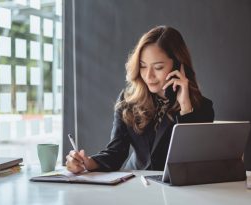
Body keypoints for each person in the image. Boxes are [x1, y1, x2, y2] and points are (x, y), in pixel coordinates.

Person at [66, 25, 214, 173]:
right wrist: (87, 162)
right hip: (136, 184)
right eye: (143, 66)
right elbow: (116, 152)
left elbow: (194, 162)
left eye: (158, 67)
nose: (148, 76)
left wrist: (185, 108)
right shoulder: (128, 101)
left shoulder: (202, 107)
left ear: (178, 65)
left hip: (175, 190)